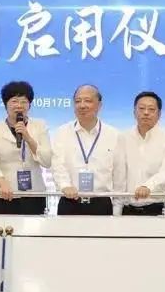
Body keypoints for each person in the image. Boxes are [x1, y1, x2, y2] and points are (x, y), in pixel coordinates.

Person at [51, 84, 125, 216]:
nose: (82, 105)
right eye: (78, 101)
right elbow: (57, 165)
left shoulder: (114, 135)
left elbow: (119, 175)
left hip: (101, 203)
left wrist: (117, 210)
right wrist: (65, 185)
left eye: (88, 101)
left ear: (99, 105)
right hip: (70, 201)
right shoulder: (62, 132)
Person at [0, 81, 53, 215]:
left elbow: (47, 161)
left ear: (30, 105)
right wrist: (2, 183)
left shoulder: (40, 126)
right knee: (4, 228)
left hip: (34, 194)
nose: (19, 106)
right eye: (14, 101)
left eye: (24, 102)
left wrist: (28, 138)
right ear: (5, 104)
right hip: (4, 194)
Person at [119, 91, 165, 216]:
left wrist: (147, 187)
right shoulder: (123, 137)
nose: (146, 113)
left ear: (159, 114)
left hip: (159, 208)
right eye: (141, 108)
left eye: (151, 109)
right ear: (134, 112)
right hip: (128, 209)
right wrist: (117, 207)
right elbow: (119, 175)